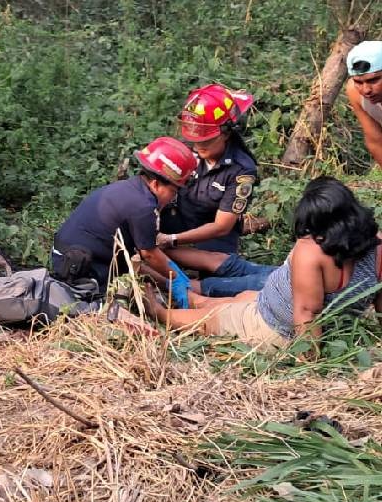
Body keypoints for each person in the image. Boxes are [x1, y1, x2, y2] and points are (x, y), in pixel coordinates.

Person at [145, 177, 382, 351]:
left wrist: (311, 359)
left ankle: (159, 312)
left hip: (273, 328)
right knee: (237, 299)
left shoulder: (311, 251)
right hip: (266, 303)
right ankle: (191, 298)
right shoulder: (377, 245)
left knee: (212, 319)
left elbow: (307, 313)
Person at [157, 83, 275, 296]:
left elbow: (221, 225)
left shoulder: (241, 169)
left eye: (208, 140)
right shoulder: (186, 149)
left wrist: (172, 240)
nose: (199, 146)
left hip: (213, 233)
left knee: (219, 281)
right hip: (178, 218)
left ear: (227, 133)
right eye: (195, 139)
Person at [53, 136, 198, 307]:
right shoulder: (143, 206)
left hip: (76, 256)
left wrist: (167, 281)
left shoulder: (131, 188)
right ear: (156, 184)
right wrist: (177, 279)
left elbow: (133, 257)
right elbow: (149, 254)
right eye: (173, 191)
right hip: (78, 268)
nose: (173, 197)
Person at [345, 40, 382, 169]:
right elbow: (375, 141)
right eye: (359, 82)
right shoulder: (354, 92)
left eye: (373, 80)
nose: (366, 90)